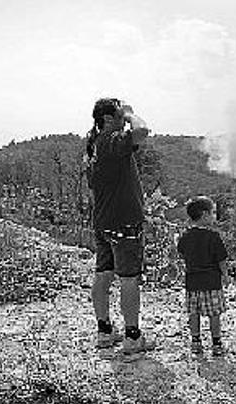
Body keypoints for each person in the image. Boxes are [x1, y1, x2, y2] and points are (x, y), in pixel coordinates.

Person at [85, 97, 155, 355]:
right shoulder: (110, 141)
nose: (122, 120)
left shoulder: (93, 146)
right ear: (107, 119)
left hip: (103, 221)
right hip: (124, 222)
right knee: (128, 278)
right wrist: (130, 114)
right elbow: (142, 131)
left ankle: (104, 331)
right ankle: (132, 337)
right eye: (117, 116)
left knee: (103, 274)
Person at [177, 196, 230, 356]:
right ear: (205, 214)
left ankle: (196, 342)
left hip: (192, 282)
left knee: (194, 313)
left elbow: (181, 254)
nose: (214, 216)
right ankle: (216, 344)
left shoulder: (185, 236)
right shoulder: (214, 237)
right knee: (214, 314)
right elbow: (221, 260)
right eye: (213, 212)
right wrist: (225, 275)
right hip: (211, 282)